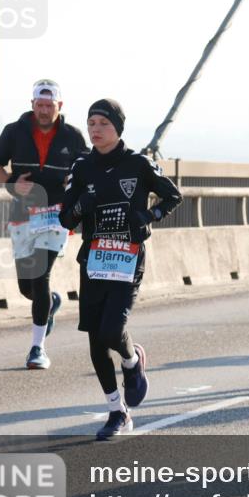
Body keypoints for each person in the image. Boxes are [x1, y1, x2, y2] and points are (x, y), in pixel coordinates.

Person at [59, 99, 182, 440]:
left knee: (113, 330)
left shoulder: (138, 164)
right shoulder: (81, 166)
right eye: (91, 123)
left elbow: (173, 197)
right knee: (96, 340)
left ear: (118, 128)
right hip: (95, 258)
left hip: (128, 258)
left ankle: (131, 360)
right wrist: (81, 205)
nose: (95, 129)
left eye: (103, 123)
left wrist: (150, 216)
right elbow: (65, 217)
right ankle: (117, 411)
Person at [0, 79, 88, 369]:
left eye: (49, 105)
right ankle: (50, 305)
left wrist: (77, 194)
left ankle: (37, 348)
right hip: (22, 214)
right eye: (39, 105)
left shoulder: (72, 136)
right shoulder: (15, 131)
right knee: (26, 286)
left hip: (56, 215)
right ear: (32, 104)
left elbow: (84, 169)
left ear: (60, 106)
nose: (44, 111)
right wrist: (9, 181)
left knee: (40, 275)